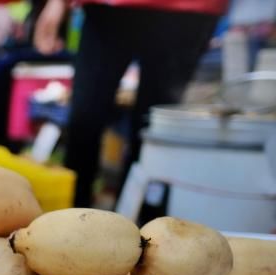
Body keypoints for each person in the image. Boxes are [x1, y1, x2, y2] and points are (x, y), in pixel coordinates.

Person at [34, 0, 227, 208]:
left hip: (187, 10)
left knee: (151, 132)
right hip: (110, 8)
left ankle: (141, 224)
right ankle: (70, 214)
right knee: (84, 119)